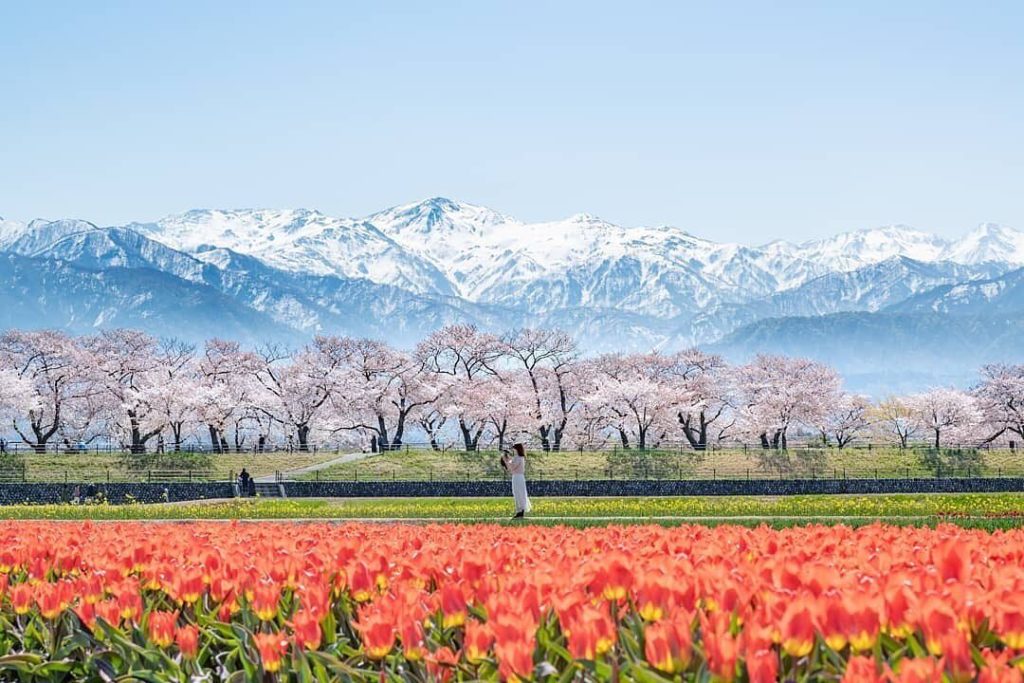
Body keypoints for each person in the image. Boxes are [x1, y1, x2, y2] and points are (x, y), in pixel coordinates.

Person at [501, 443, 532, 519]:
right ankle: (519, 510)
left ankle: (521, 510)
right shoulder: (518, 457)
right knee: (517, 493)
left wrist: (506, 460)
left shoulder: (519, 458)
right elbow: (511, 465)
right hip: (516, 476)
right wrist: (507, 460)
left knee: (519, 493)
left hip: (518, 477)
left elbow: (512, 466)